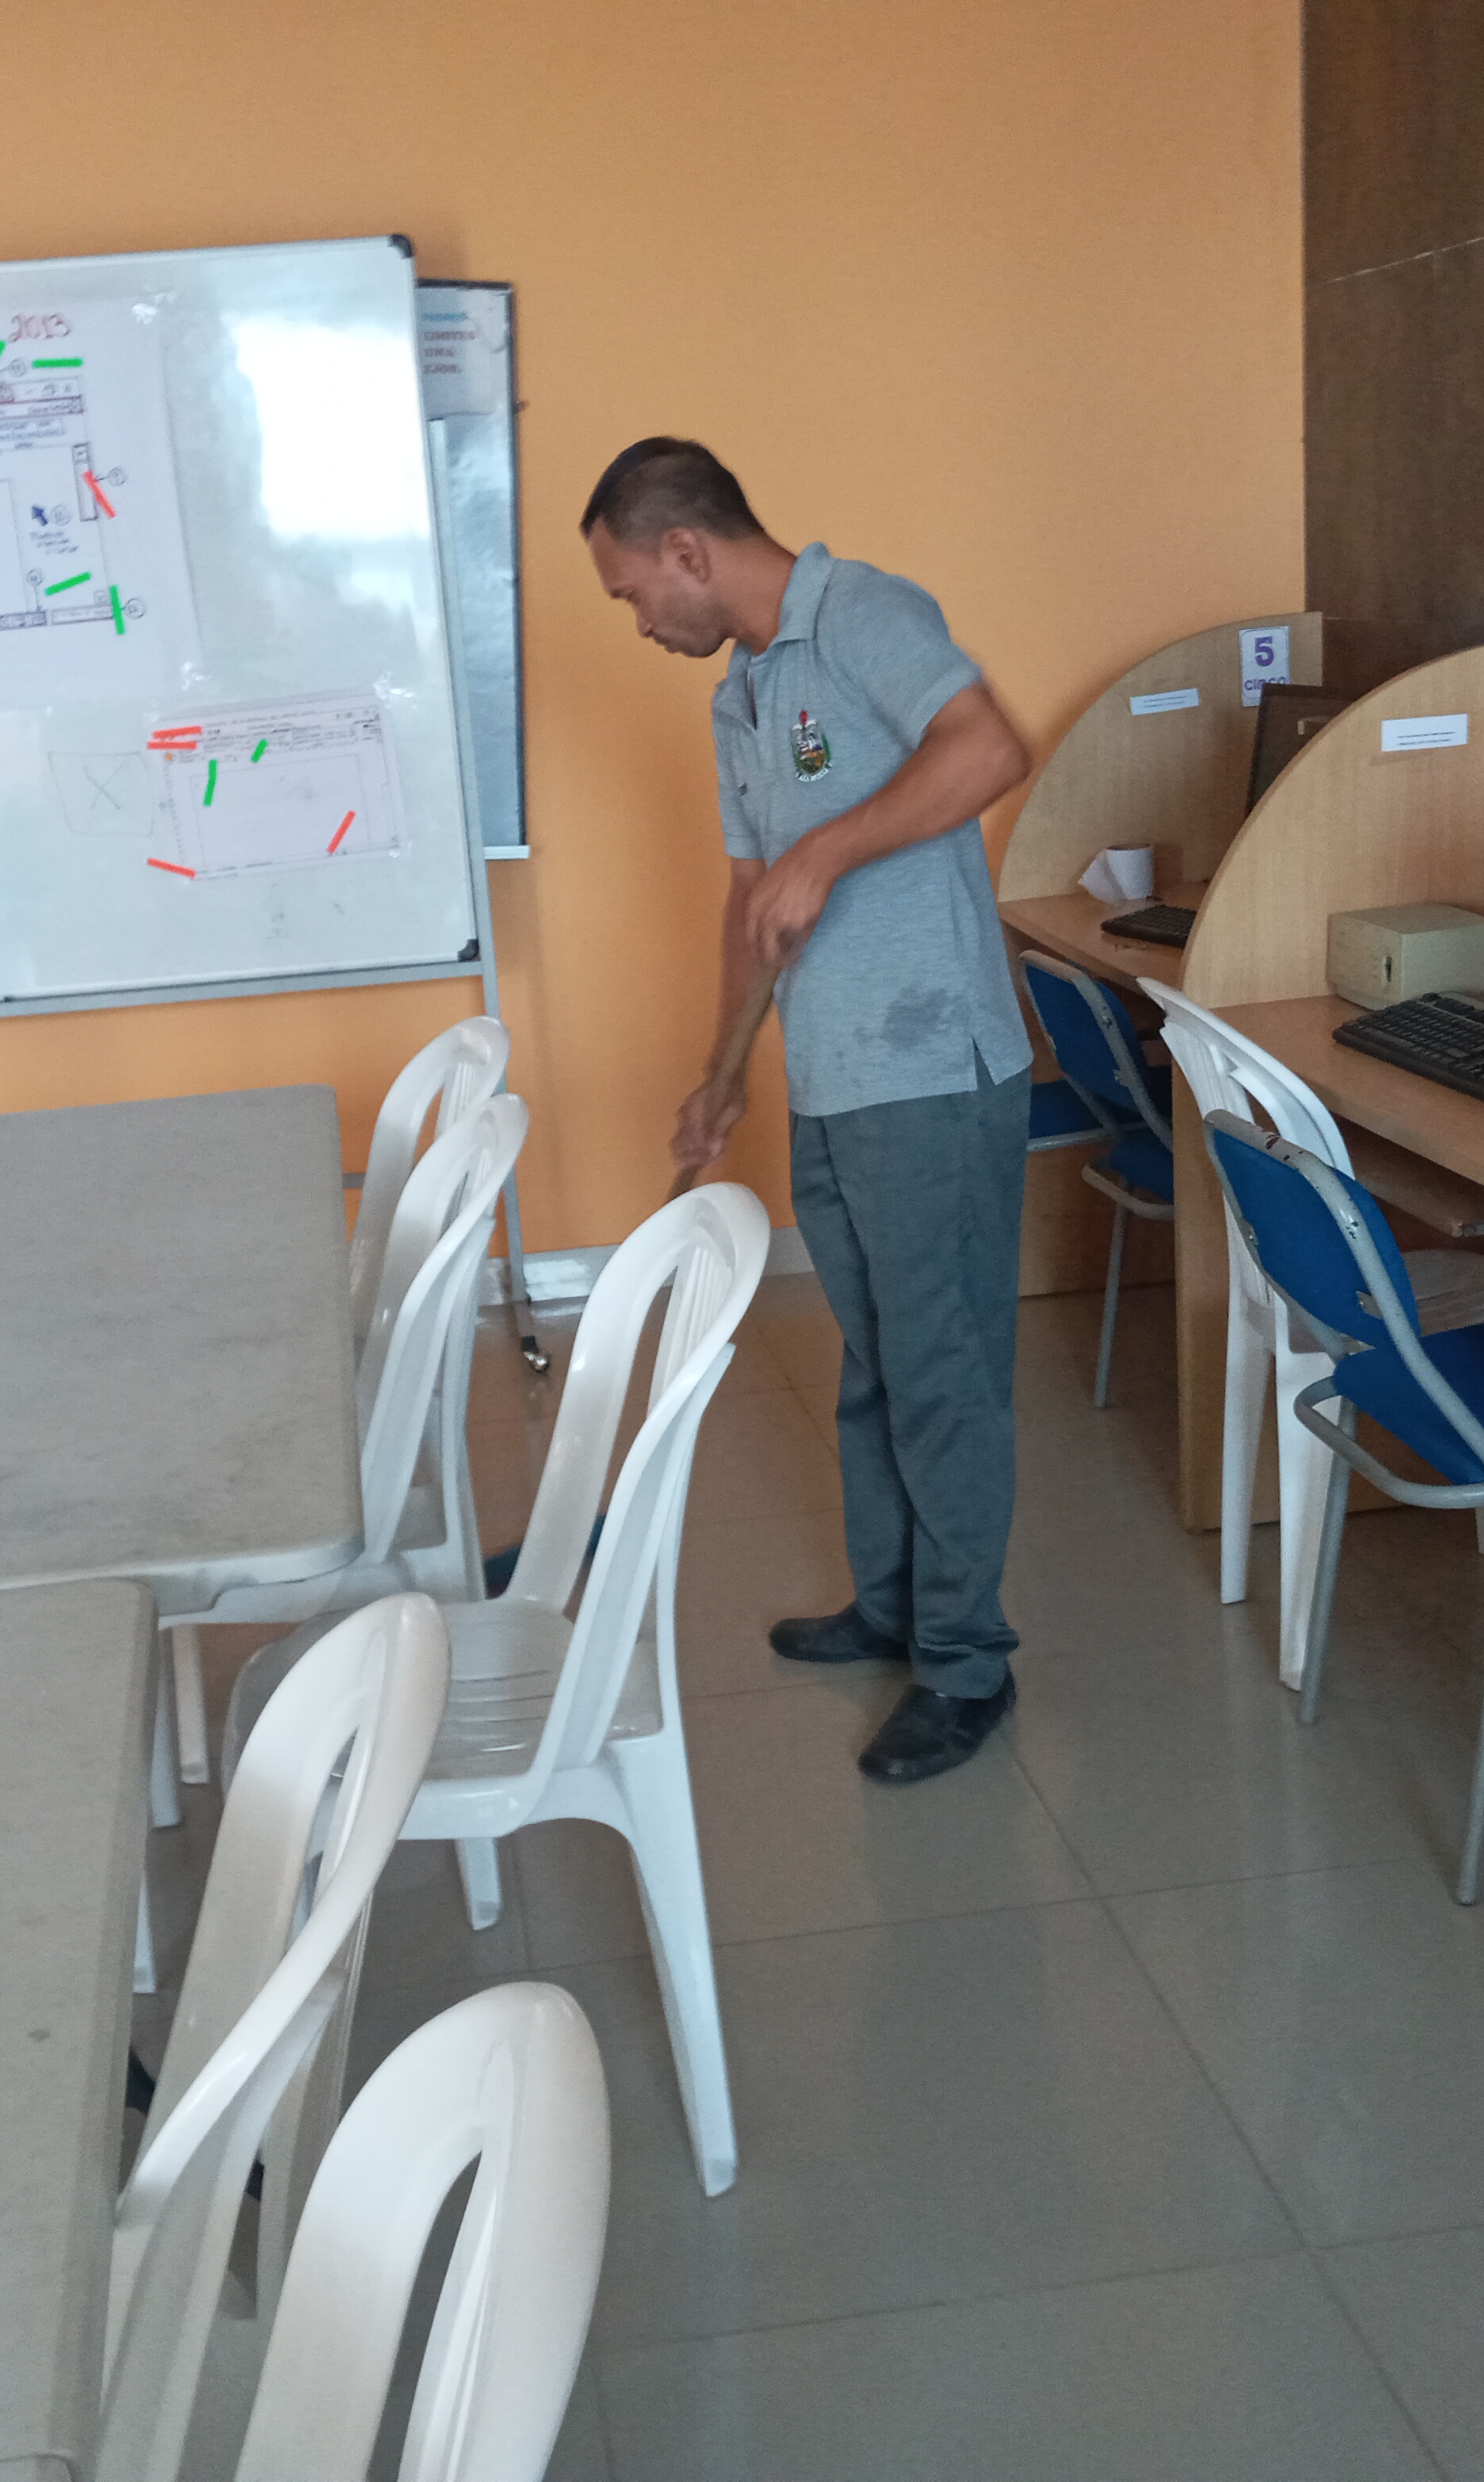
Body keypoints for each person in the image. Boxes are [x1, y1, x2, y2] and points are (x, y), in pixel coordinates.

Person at [581, 437, 1036, 1784]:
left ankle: (967, 1666)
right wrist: (723, 1069)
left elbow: (990, 746)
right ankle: (891, 1606)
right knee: (877, 1358)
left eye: (631, 592)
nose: (637, 620)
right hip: (835, 1076)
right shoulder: (741, 695)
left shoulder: (865, 614)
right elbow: (752, 901)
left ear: (686, 551)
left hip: (932, 1071)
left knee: (943, 1374)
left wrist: (829, 850)